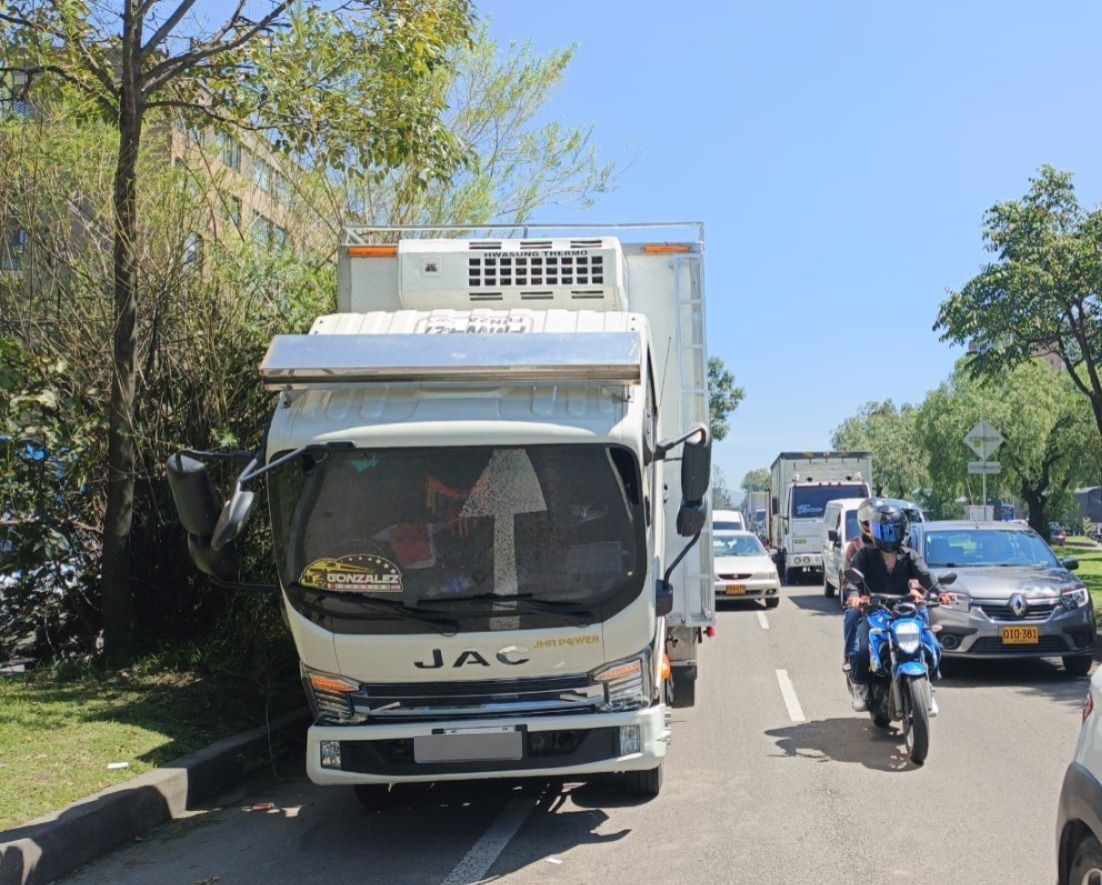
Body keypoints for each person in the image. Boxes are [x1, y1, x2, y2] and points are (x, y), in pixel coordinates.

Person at [845, 501, 955, 715]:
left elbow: (926, 575)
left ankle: (927, 688)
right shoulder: (864, 555)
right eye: (882, 530)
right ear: (873, 531)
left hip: (907, 609)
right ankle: (860, 687)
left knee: (931, 643)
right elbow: (852, 580)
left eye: (892, 530)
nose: (887, 535)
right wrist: (854, 596)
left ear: (902, 530)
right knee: (861, 650)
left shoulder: (910, 555)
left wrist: (941, 592)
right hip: (877, 611)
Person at [841, 497, 882, 670]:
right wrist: (855, 596)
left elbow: (912, 573)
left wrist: (916, 590)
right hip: (866, 603)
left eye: (876, 521)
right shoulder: (855, 547)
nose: (872, 525)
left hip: (891, 601)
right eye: (869, 521)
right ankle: (850, 659)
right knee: (852, 616)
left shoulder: (894, 545)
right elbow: (848, 579)